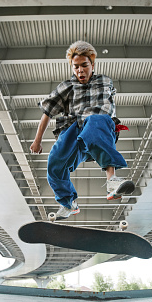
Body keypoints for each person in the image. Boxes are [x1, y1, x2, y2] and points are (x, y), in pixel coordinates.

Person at [30, 40, 135, 220]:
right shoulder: (66, 87)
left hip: (98, 129)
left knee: (95, 119)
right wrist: (37, 140)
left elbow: (107, 107)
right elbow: (47, 112)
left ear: (92, 64)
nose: (80, 71)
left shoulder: (104, 82)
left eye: (84, 66)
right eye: (76, 67)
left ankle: (112, 182)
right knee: (55, 162)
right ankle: (68, 203)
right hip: (73, 130)